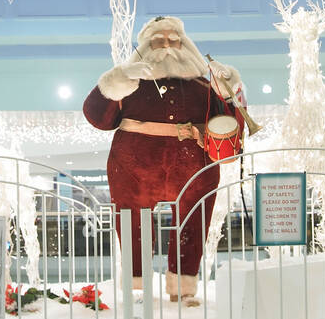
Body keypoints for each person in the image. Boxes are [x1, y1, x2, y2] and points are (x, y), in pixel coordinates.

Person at [83, 15, 243, 304]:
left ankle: (183, 289)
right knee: (132, 222)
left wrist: (229, 89)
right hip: (133, 170)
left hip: (194, 168)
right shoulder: (131, 84)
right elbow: (97, 117)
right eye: (159, 40)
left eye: (174, 39)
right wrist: (118, 80)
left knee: (193, 222)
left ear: (185, 44)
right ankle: (136, 288)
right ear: (146, 44)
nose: (167, 45)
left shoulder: (203, 87)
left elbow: (234, 126)